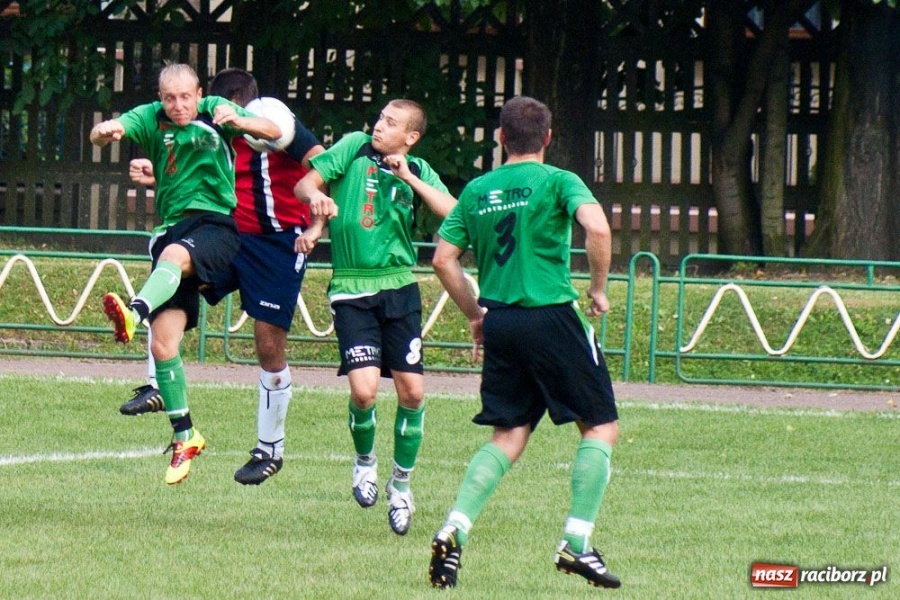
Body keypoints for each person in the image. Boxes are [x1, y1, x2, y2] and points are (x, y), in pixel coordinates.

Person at [427, 96, 621, 589]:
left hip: (503, 323)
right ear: (548, 139)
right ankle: (576, 543)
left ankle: (455, 527)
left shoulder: (476, 191)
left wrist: (475, 315)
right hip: (551, 315)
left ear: (500, 138)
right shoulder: (559, 180)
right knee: (599, 426)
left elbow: (443, 259)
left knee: (508, 436)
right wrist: (598, 288)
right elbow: (597, 226)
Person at [118, 67, 326, 486]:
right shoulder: (206, 130)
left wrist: (317, 220)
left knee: (268, 342)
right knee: (169, 259)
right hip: (231, 235)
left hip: (277, 241)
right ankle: (158, 381)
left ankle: (270, 448)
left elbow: (321, 160)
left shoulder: (267, 120)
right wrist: (157, 174)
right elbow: (201, 182)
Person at [90, 63, 283, 485]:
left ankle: (134, 311)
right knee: (163, 346)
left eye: (185, 97)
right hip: (171, 229)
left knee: (174, 257)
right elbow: (113, 127)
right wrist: (106, 131)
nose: (178, 105)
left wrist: (241, 119)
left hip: (214, 226)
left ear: (199, 94)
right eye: (169, 98)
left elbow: (273, 131)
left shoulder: (216, 110)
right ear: (161, 98)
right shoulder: (151, 117)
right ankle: (185, 434)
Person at [293, 99, 456, 536]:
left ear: (411, 137)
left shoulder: (417, 170)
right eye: (381, 118)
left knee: (413, 392)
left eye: (391, 122)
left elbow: (454, 214)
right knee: (364, 393)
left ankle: (401, 485)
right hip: (351, 287)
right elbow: (305, 184)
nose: (379, 126)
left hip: (400, 285)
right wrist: (318, 199)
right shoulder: (353, 147)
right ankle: (365, 462)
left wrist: (407, 177)